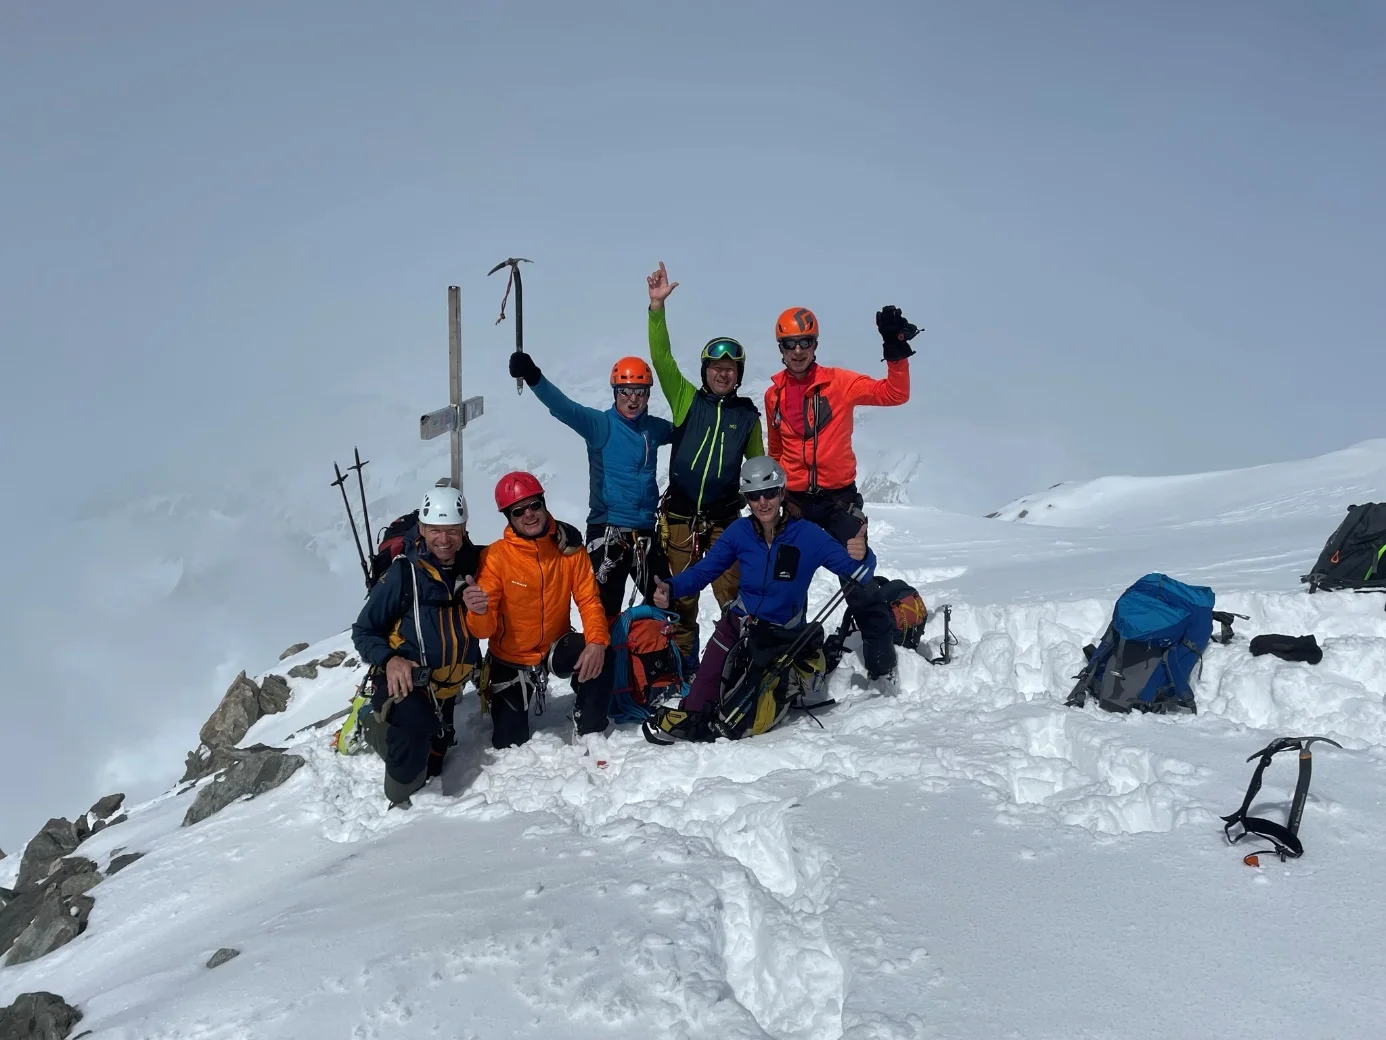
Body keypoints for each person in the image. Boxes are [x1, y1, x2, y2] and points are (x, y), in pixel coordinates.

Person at [646, 457, 875, 742]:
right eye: (754, 496)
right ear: (747, 499)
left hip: (780, 636)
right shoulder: (739, 532)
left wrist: (863, 554)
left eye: (769, 493)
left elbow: (859, 574)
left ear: (782, 493)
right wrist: (672, 588)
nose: (763, 502)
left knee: (743, 716)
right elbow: (704, 571)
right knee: (697, 703)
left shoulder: (809, 536)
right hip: (737, 625)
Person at [764, 303, 917, 686]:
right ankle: (791, 666)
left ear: (815, 344)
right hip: (795, 505)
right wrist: (773, 500)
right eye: (789, 344)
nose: (798, 351)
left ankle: (882, 668)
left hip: (839, 503)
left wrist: (895, 350)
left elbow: (895, 393)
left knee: (859, 583)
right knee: (786, 585)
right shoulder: (774, 395)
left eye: (805, 342)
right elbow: (777, 450)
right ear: (780, 348)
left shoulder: (840, 383)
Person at [645, 261, 766, 667]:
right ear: (706, 371)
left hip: (725, 523)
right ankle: (683, 669)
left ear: (738, 375)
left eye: (730, 369)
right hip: (680, 519)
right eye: (716, 368)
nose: (723, 374)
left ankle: (734, 663)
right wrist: (657, 308)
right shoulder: (686, 399)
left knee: (732, 595)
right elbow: (662, 359)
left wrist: (768, 516)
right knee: (681, 597)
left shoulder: (747, 417)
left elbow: (757, 471)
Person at [509, 350, 674, 623]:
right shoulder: (601, 425)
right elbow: (565, 408)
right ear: (615, 392)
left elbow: (687, 433)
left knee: (664, 604)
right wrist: (532, 375)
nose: (633, 399)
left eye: (640, 392)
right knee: (603, 613)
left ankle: (647, 649)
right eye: (625, 391)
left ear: (648, 395)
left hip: (645, 533)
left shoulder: (655, 429)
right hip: (608, 532)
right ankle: (607, 652)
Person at [351, 486, 484, 807]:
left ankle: (415, 732)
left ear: (464, 529)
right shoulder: (403, 573)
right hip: (408, 682)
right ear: (422, 529)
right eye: (435, 530)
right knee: (412, 763)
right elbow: (364, 631)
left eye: (452, 530)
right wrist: (390, 660)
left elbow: (518, 554)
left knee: (435, 760)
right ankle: (372, 726)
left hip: (445, 689)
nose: (444, 539)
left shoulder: (475, 566)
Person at [464, 471, 615, 751]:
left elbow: (589, 600)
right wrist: (479, 611)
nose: (529, 514)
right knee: (509, 743)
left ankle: (589, 726)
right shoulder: (495, 558)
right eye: (518, 511)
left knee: (603, 650)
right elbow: (483, 631)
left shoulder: (568, 549)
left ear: (544, 504)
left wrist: (596, 641)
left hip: (556, 646)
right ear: (508, 518)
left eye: (535, 505)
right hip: (511, 659)